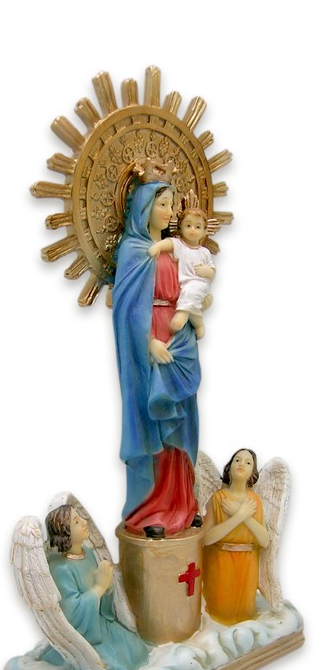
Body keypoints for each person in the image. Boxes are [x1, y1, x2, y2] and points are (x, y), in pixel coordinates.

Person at [111, 179, 202, 536]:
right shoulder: (133, 251)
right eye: (161, 204)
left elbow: (190, 285)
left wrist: (199, 299)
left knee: (181, 419)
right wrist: (148, 342)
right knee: (155, 421)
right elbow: (127, 309)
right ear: (144, 207)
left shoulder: (176, 249)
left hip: (180, 341)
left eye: (171, 204)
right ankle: (152, 509)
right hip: (150, 345)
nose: (169, 211)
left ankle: (182, 503)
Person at [42, 505, 149, 670]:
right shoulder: (60, 569)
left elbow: (104, 606)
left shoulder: (89, 553)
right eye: (76, 522)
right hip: (84, 635)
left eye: (80, 518)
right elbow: (71, 613)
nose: (85, 522)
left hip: (100, 623)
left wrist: (107, 585)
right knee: (115, 667)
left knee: (136, 647)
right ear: (65, 532)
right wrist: (99, 588)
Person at [201, 448, 271, 625]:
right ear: (229, 467)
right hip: (221, 563)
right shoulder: (218, 498)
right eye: (237, 460)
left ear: (252, 472)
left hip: (248, 565)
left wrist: (244, 515)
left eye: (248, 462)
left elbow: (264, 541)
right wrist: (238, 516)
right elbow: (206, 538)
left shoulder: (255, 501)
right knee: (221, 614)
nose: (241, 464)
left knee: (244, 614)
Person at [148, 197, 216, 340]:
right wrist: (157, 247)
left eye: (198, 227)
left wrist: (207, 271)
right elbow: (168, 243)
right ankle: (198, 324)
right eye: (188, 225)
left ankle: (182, 315)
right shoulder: (180, 245)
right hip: (183, 285)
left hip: (199, 283)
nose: (192, 230)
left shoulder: (205, 252)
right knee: (190, 299)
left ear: (205, 231)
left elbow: (212, 271)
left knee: (192, 292)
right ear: (180, 228)